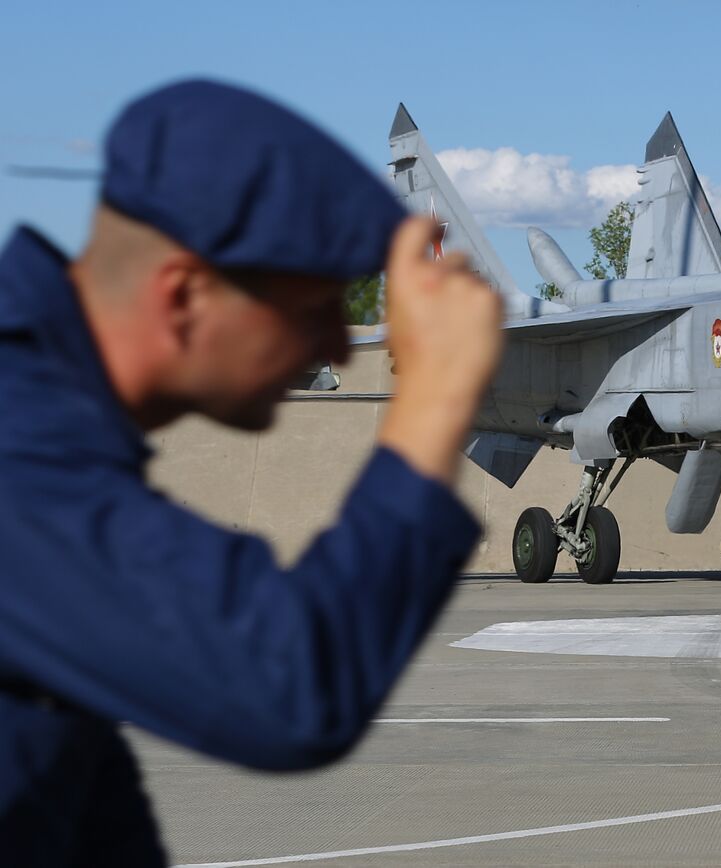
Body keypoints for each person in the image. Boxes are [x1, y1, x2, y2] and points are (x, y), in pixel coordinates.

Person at [0, 79, 503, 863]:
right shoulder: (18, 455)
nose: (339, 347)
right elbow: (289, 686)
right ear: (183, 295)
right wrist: (435, 397)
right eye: (313, 309)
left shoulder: (44, 434)